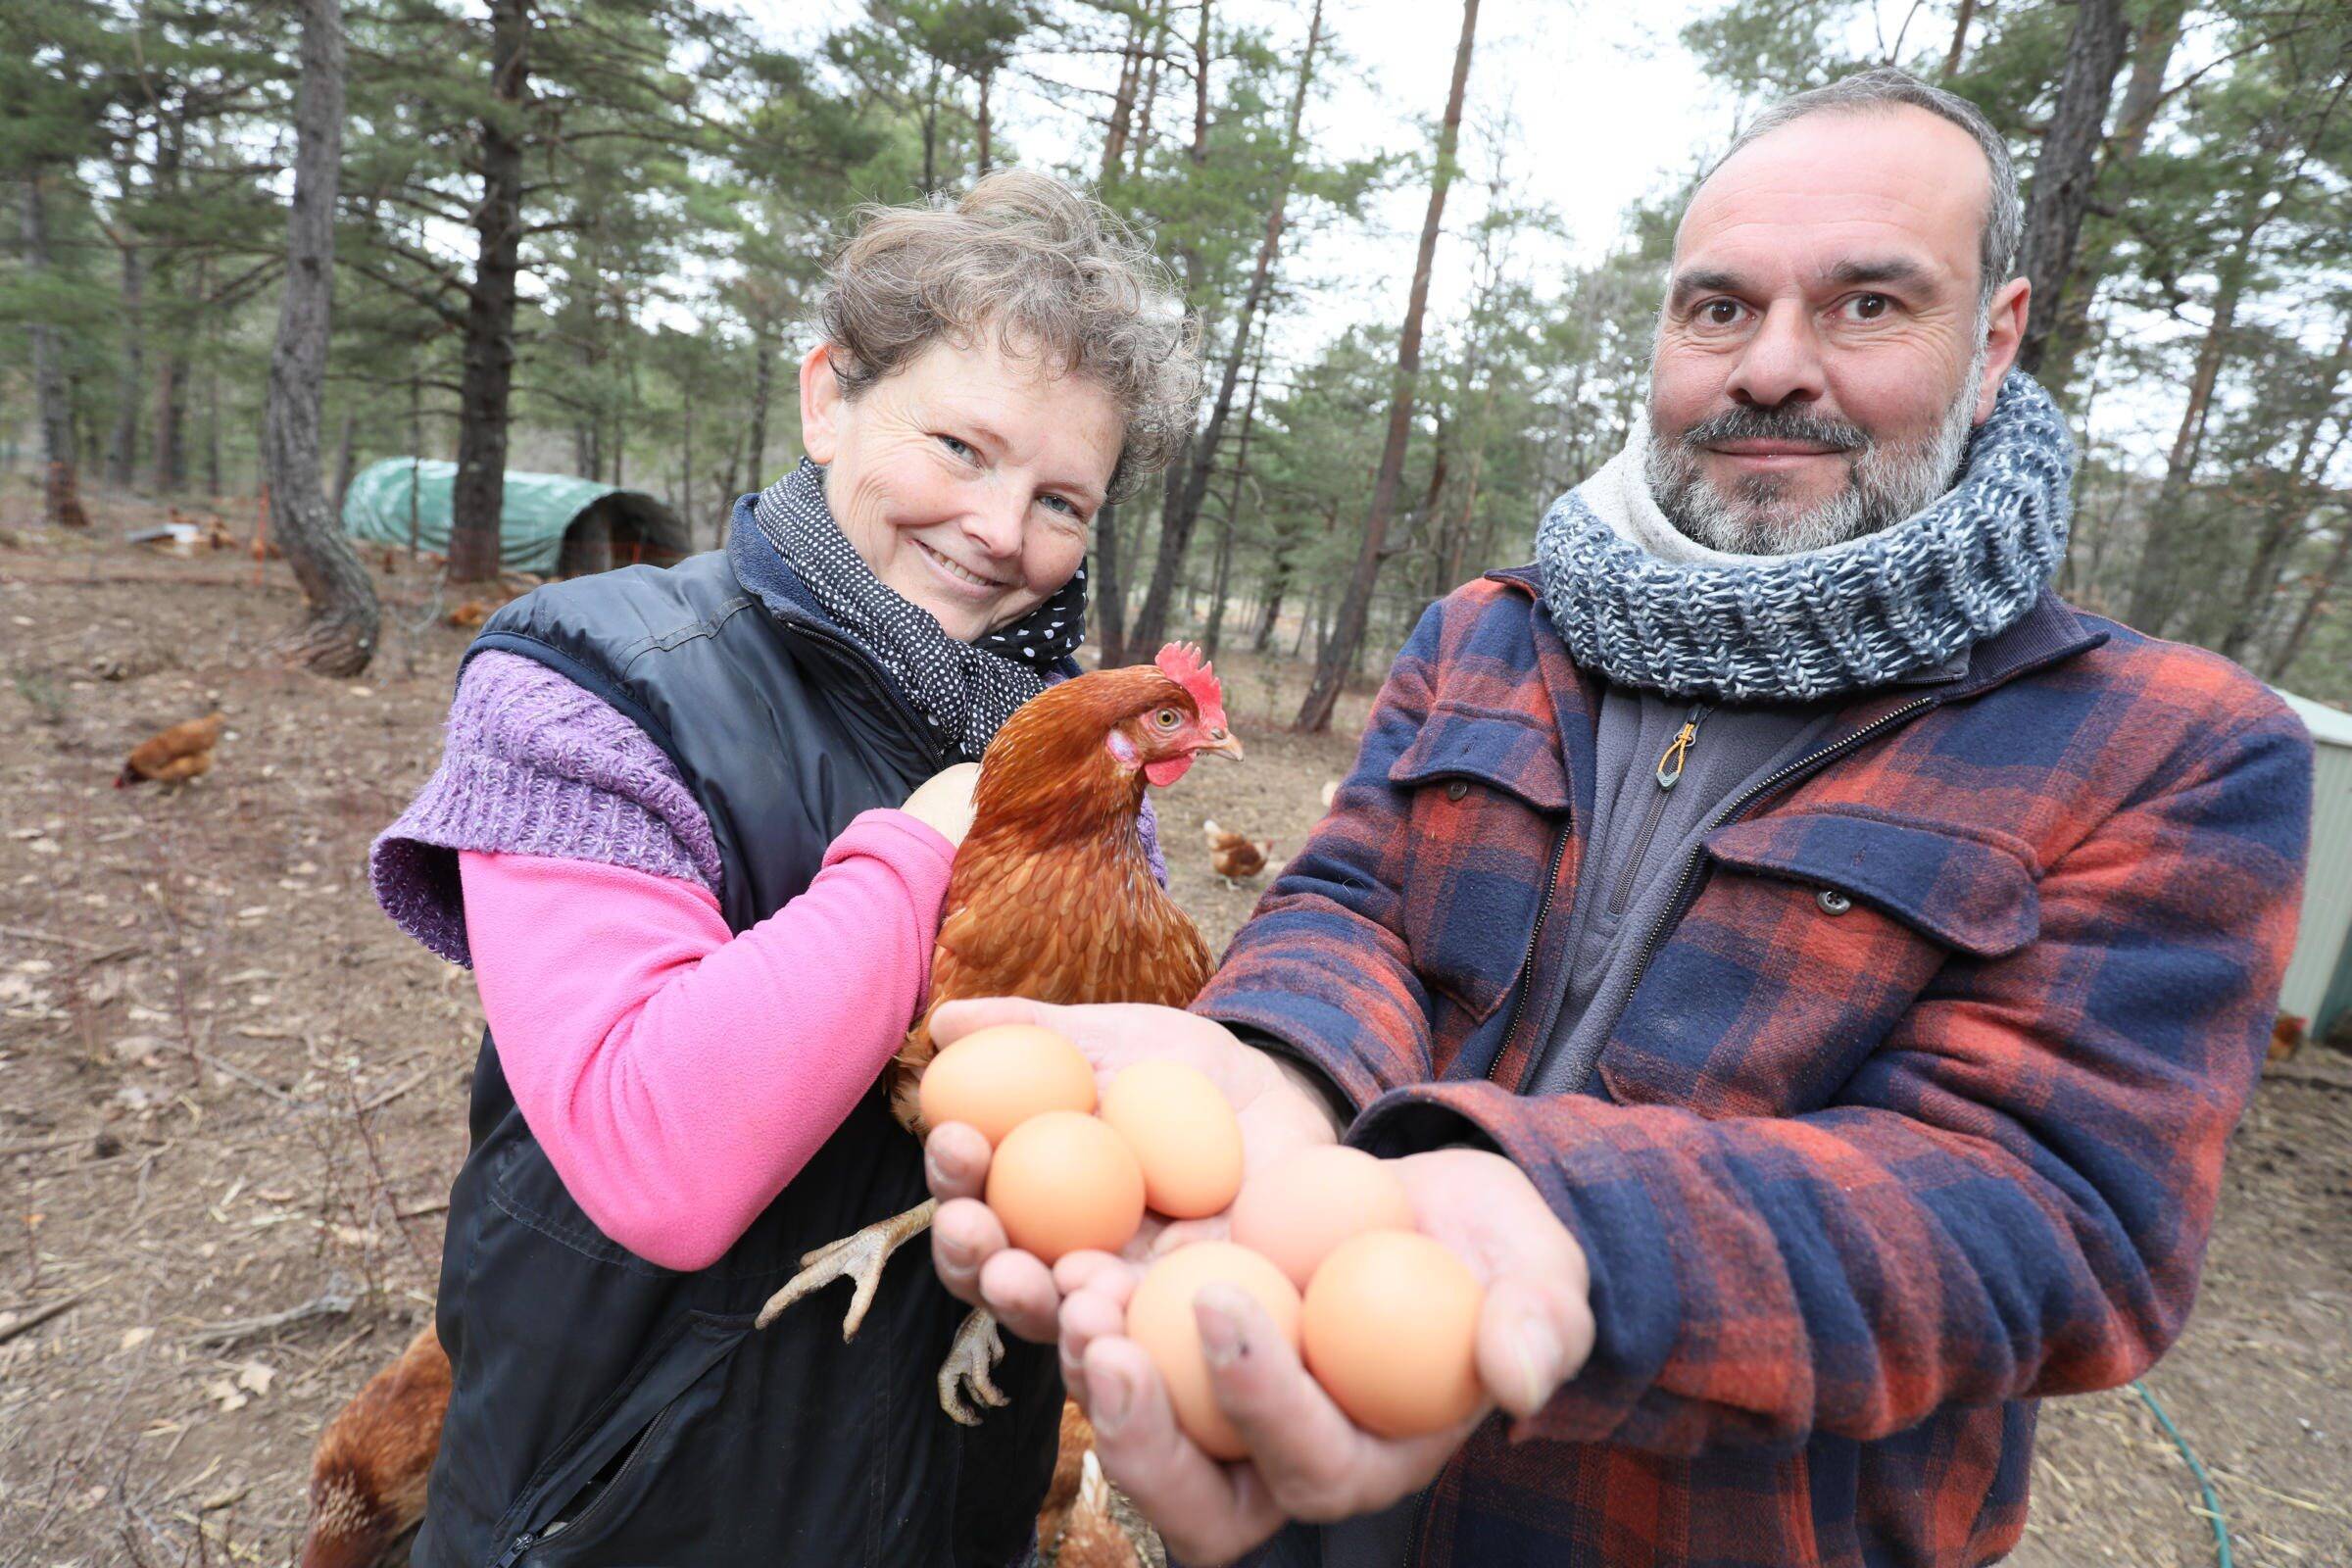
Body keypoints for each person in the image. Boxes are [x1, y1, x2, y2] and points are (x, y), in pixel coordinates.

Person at [926, 68, 2314, 1567]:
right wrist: (1273, 1070)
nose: (1771, 367)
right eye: (1718, 309)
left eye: (1865, 305)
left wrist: (1566, 1232)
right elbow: (1354, 907)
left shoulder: (2169, 745)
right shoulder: (1489, 634)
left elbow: (2053, 1216)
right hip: (1311, 1472)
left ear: (1997, 339)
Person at [368, 171, 1199, 1566]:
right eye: (961, 447)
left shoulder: (1068, 769)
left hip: (954, 1497)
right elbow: (660, 1154)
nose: (1004, 530)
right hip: (628, 1508)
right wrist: (928, 837)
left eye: (1063, 499)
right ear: (827, 398)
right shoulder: (584, 684)